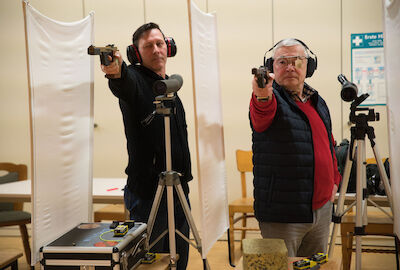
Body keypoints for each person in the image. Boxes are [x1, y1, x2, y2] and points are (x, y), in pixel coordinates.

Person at [101, 22, 192, 269]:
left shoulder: (170, 86)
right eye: (148, 46)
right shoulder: (136, 81)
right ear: (136, 53)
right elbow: (122, 80)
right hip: (149, 194)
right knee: (150, 263)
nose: (156, 49)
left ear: (169, 47)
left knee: (179, 259)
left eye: (160, 43)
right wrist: (115, 69)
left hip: (179, 189)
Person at [249, 38, 341, 257]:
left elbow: (329, 143)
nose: (290, 66)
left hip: (321, 208)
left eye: (297, 61)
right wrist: (261, 95)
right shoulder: (270, 99)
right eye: (282, 61)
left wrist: (335, 181)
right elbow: (262, 113)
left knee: (313, 265)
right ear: (272, 67)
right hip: (283, 213)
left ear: (308, 66)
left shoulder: (317, 100)